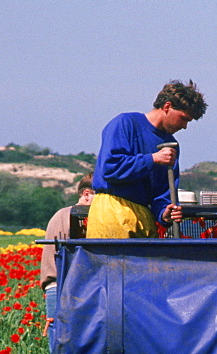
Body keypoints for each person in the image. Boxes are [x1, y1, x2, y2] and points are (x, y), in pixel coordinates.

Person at [88, 80, 207, 238]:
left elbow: (162, 193)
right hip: (112, 211)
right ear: (167, 107)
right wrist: (153, 159)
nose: (184, 126)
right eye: (183, 118)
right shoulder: (125, 123)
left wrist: (165, 213)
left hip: (144, 217)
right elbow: (111, 169)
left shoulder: (171, 146)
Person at [40, 173, 94, 327]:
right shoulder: (78, 217)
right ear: (86, 194)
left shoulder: (60, 214)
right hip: (65, 287)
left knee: (58, 346)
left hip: (56, 287)